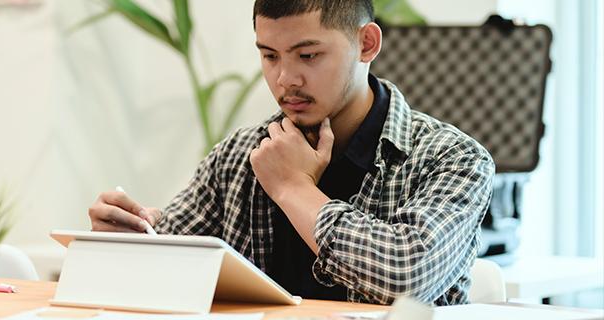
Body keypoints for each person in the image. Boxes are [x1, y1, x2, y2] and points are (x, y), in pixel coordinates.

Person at [87, 0, 494, 306]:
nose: (285, 79)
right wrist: (134, 236)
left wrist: (293, 188)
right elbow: (171, 258)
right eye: (269, 55)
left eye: (308, 55)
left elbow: (409, 281)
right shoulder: (239, 155)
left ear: (366, 43)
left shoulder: (454, 159)